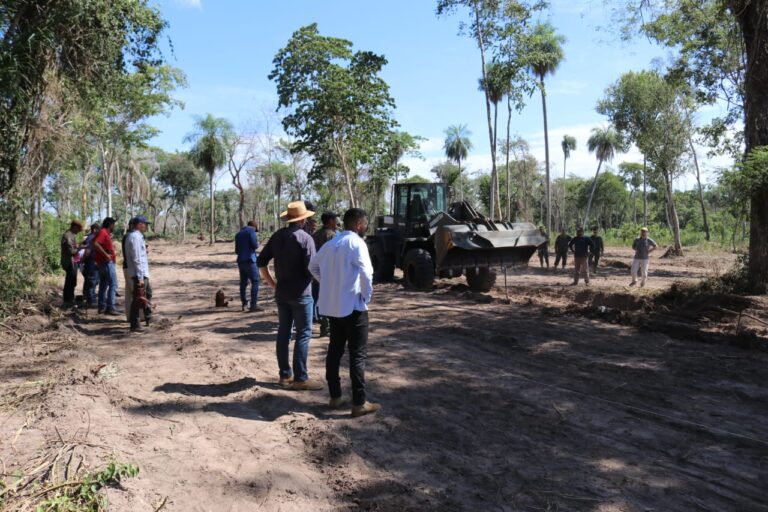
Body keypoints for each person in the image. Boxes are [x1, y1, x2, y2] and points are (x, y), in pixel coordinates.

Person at [309, 208, 380, 417]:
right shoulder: (357, 243)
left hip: (332, 307)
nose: (365, 227)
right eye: (365, 223)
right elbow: (367, 273)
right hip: (354, 307)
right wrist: (366, 297)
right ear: (358, 224)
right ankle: (359, 403)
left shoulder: (332, 244)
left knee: (335, 350)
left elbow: (312, 266)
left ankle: (335, 396)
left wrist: (328, 284)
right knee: (357, 355)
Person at [257, 201, 322, 391]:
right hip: (302, 294)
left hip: (282, 294)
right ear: (303, 219)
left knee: (284, 332)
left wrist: (273, 285)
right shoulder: (306, 238)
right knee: (303, 334)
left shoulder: (277, 236)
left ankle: (284, 375)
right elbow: (312, 269)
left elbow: (261, 263)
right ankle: (300, 378)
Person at [312, 212, 339, 337]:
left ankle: (324, 326)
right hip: (330, 273)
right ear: (330, 221)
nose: (337, 221)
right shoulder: (333, 236)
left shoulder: (315, 235)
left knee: (320, 300)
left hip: (317, 272)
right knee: (331, 300)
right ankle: (327, 328)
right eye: (335, 219)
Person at [125, 216, 153, 332]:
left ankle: (147, 317)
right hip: (138, 274)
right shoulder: (135, 237)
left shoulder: (137, 236)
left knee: (146, 294)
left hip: (141, 273)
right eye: (144, 223)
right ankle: (135, 324)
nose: (146, 226)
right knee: (137, 299)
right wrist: (140, 277)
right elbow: (137, 259)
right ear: (138, 224)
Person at [93, 217, 120, 315]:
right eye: (114, 225)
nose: (114, 227)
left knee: (103, 284)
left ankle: (102, 306)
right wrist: (106, 255)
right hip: (106, 263)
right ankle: (110, 307)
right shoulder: (103, 232)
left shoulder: (105, 233)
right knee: (113, 284)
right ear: (110, 224)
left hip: (104, 263)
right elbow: (95, 244)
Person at [235, 220, 263, 312]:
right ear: (254, 227)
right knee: (255, 281)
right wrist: (258, 243)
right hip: (250, 261)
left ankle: (244, 304)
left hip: (241, 261)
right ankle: (253, 305)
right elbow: (255, 245)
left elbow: (237, 251)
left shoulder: (238, 234)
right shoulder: (251, 231)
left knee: (243, 282)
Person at [60, 220, 84, 307]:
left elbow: (72, 247)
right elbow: (71, 251)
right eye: (78, 230)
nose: (78, 232)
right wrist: (80, 248)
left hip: (73, 261)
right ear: (74, 227)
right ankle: (67, 300)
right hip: (70, 262)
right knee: (70, 281)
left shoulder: (71, 235)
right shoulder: (68, 236)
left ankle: (70, 299)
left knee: (72, 281)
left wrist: (78, 245)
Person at [81, 222, 101, 307]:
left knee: (93, 281)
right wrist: (82, 260)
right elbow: (87, 252)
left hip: (95, 263)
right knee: (92, 282)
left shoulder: (93, 238)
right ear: (95, 229)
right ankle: (91, 301)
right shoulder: (91, 238)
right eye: (98, 229)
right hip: (91, 262)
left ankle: (89, 298)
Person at [121, 219, 137, 322]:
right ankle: (136, 318)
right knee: (135, 292)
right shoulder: (131, 236)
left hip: (126, 266)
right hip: (131, 267)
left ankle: (129, 316)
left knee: (128, 292)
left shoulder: (126, 236)